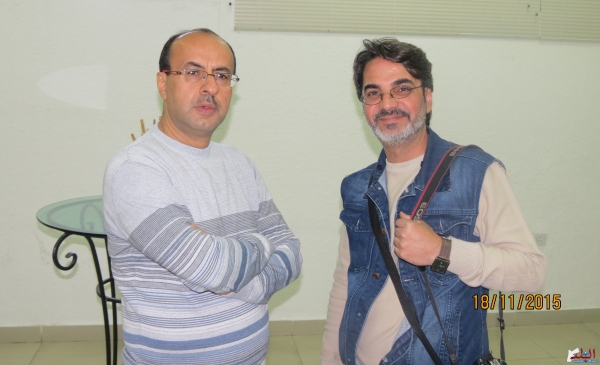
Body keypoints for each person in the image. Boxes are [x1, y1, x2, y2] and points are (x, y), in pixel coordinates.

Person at [321, 38, 545, 365]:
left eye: (401, 89)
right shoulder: (357, 187)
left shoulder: (476, 172)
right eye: (373, 93)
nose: (387, 104)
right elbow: (345, 282)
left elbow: (531, 272)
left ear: (427, 97)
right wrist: (331, 358)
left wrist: (443, 251)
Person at [103, 28, 302, 365]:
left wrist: (241, 279)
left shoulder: (239, 163)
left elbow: (292, 253)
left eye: (222, 75)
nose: (210, 87)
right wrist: (261, 244)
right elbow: (214, 269)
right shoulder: (135, 168)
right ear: (163, 83)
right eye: (193, 72)